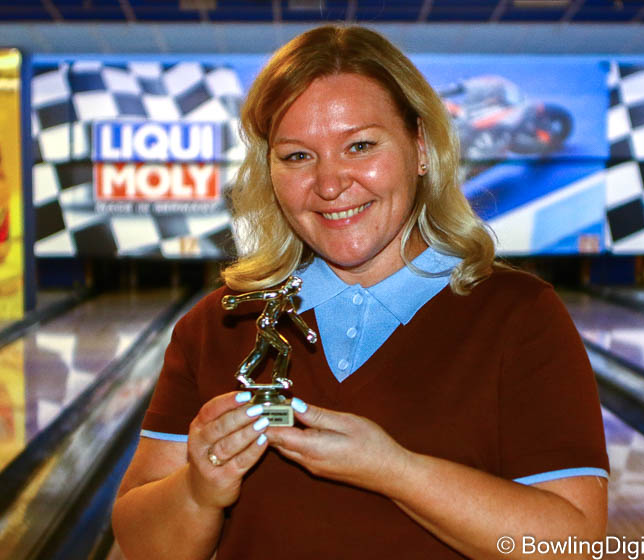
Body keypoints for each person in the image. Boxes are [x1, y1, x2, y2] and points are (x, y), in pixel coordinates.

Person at [112, 25, 609, 560]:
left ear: (421, 148)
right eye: (297, 156)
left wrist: (396, 471)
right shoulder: (220, 324)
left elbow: (575, 545)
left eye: (360, 145)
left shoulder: (520, 316)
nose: (330, 184)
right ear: (269, 169)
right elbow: (141, 545)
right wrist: (197, 491)